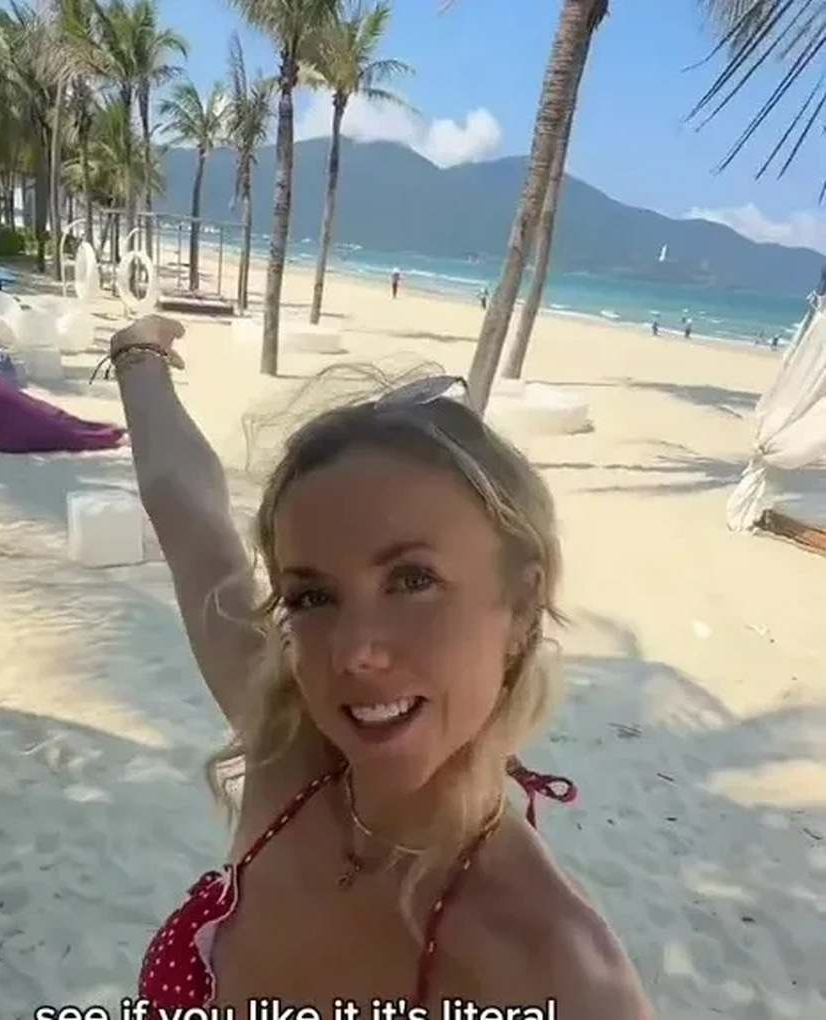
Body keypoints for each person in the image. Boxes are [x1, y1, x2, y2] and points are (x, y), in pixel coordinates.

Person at [110, 315, 655, 1017]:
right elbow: (188, 514)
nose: (354, 652)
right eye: (313, 596)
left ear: (521, 604)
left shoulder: (557, 974)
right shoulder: (289, 742)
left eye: (412, 581)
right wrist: (138, 353)